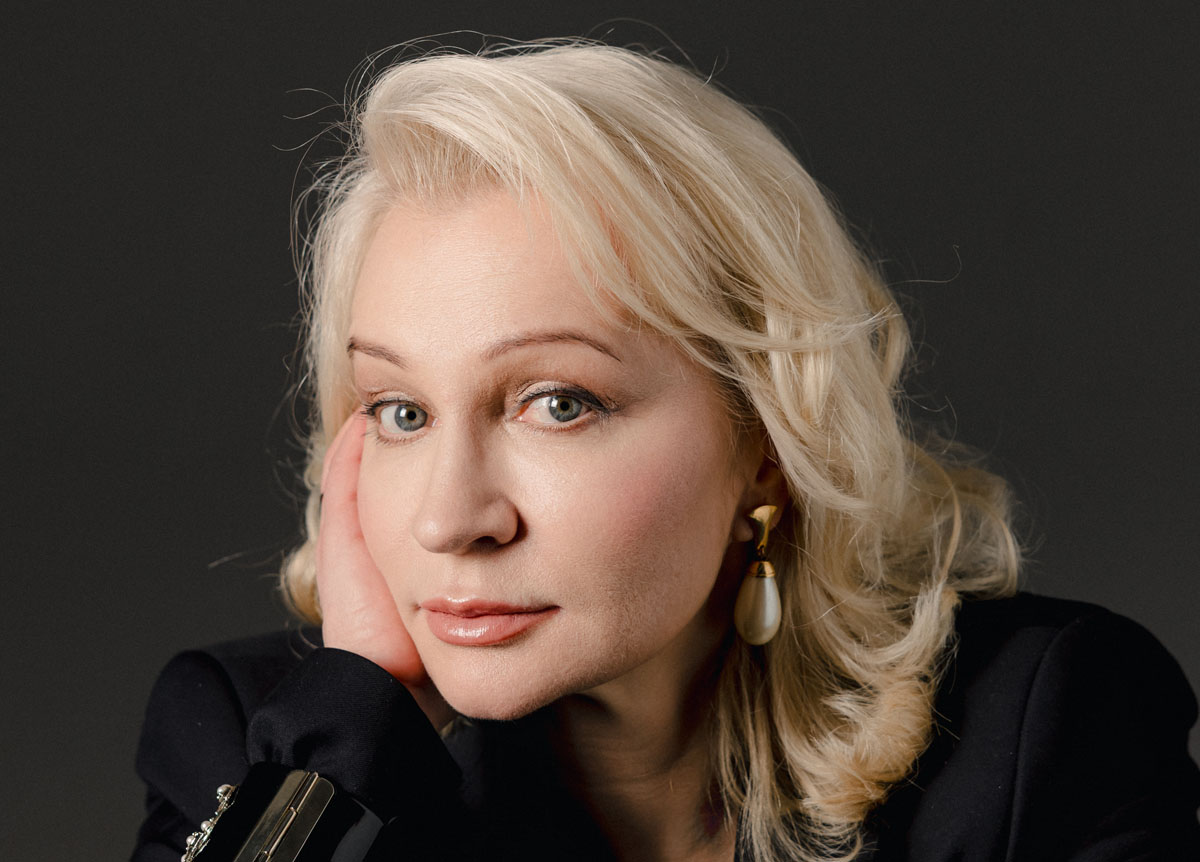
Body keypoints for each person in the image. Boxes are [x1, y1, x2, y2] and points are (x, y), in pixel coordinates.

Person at [132, 41, 1200, 862]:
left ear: (768, 442)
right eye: (401, 411)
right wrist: (337, 766)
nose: (450, 519)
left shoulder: (1038, 731)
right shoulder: (253, 741)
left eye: (558, 403)